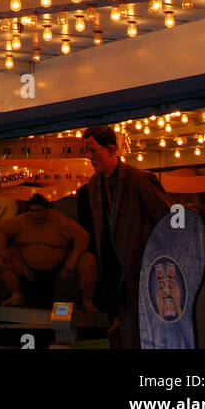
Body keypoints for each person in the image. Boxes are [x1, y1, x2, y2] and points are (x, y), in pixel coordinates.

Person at [82, 124, 171, 348]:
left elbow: (165, 222)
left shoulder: (138, 180)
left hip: (141, 271)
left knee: (141, 336)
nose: (89, 157)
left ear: (111, 149)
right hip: (113, 277)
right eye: (88, 151)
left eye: (93, 151)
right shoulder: (93, 185)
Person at [0, 194, 97, 308]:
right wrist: (2, 250)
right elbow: (1, 229)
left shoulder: (60, 221)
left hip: (61, 268)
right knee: (0, 259)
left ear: (47, 209)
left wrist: (73, 260)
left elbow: (83, 236)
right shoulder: (22, 221)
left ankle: (87, 301)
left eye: (38, 211)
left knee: (89, 260)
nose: (34, 214)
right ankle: (16, 295)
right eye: (32, 211)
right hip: (26, 268)